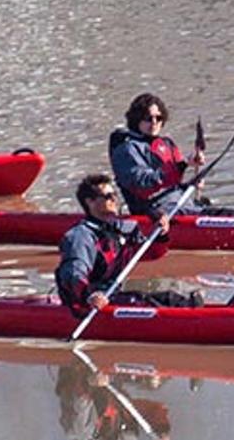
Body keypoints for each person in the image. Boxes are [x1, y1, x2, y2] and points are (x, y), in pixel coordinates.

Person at [53, 177, 217, 314]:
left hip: (111, 293)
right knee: (143, 301)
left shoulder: (123, 229)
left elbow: (151, 253)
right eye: (108, 196)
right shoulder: (80, 237)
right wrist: (90, 296)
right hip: (86, 301)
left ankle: (197, 307)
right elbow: (73, 275)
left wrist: (161, 235)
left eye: (115, 195)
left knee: (169, 295)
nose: (115, 200)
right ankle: (196, 314)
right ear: (90, 202)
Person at [107, 94, 196, 211]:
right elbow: (143, 182)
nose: (154, 122)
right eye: (148, 118)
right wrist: (182, 166)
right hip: (154, 211)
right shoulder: (127, 149)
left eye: (158, 118)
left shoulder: (167, 144)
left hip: (178, 203)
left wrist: (192, 170)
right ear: (137, 119)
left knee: (221, 213)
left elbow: (174, 179)